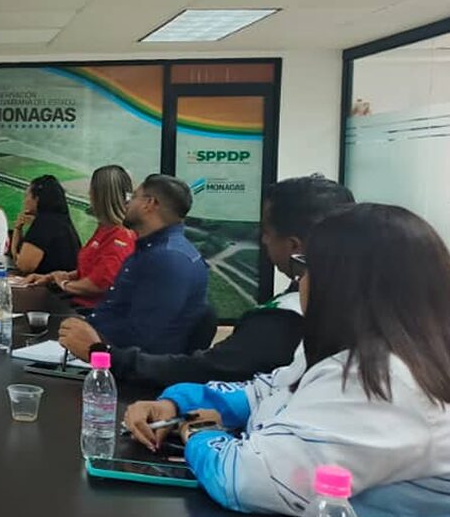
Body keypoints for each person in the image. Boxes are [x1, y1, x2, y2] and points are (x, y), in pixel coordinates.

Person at [124, 204, 450, 516]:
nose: (300, 281)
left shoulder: (384, 382)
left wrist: (198, 431)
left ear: (342, 285)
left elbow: (247, 480)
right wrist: (178, 403)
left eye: (305, 268)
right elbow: (268, 391)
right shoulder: (354, 351)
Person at [59, 175, 354, 387]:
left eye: (266, 231)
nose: (263, 241)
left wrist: (99, 354)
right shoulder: (341, 301)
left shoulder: (284, 320)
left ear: (294, 246)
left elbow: (202, 369)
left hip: (128, 375)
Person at [59, 174, 207, 355]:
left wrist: (90, 345)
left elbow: (143, 337)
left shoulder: (168, 259)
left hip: (120, 362)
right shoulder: (150, 249)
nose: (126, 203)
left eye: (134, 197)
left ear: (149, 204)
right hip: (104, 347)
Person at [24, 165, 136, 309]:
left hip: (91, 311)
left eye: (92, 189)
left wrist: (65, 284)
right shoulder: (104, 230)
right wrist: (53, 277)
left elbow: (98, 284)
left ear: (101, 195)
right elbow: (92, 270)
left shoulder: (120, 238)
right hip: (77, 304)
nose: (89, 193)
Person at [9, 175, 81, 274]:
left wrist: (17, 229)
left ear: (36, 199)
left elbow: (23, 266)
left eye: (26, 196)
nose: (24, 201)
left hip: (51, 282)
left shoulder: (44, 224)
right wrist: (18, 228)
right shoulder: (62, 221)